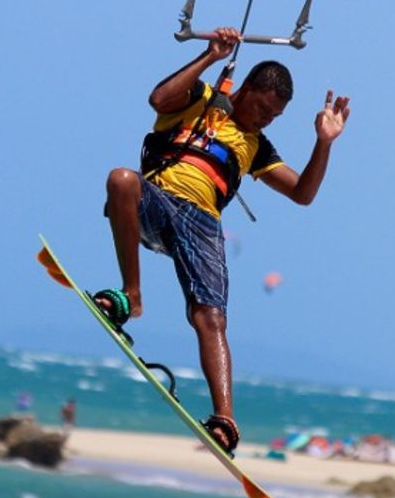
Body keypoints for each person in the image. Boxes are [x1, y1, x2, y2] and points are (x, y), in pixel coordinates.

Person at [98, 26, 351, 456]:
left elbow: (303, 193)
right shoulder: (198, 101)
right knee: (122, 180)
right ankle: (131, 297)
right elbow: (158, 100)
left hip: (203, 226)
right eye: (262, 108)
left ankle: (225, 420)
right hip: (158, 203)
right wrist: (211, 56)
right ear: (246, 88)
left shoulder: (257, 147)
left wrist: (323, 143)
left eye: (274, 116)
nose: (264, 119)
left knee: (210, 318)